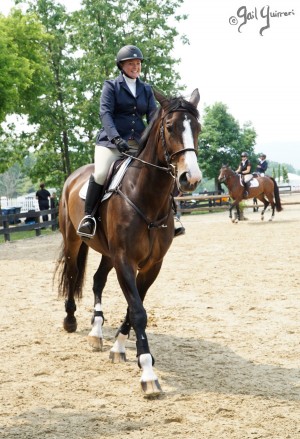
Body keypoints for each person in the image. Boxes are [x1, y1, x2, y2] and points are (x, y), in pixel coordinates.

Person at [77, 45, 157, 238]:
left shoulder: (146, 89)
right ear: (122, 66)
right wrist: (116, 138)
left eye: (138, 63)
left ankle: (170, 216)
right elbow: (105, 114)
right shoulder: (111, 86)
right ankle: (89, 217)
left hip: (138, 142)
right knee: (102, 172)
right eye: (131, 63)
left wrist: (150, 139)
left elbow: (153, 116)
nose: (136, 67)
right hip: (111, 142)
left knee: (158, 171)